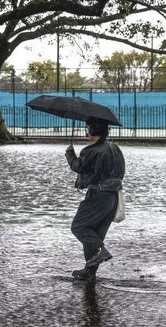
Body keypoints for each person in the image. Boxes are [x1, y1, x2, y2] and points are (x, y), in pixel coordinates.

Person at [65, 117, 125, 281]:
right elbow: (121, 172)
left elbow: (77, 166)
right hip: (113, 197)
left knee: (79, 227)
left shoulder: (91, 150)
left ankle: (101, 250)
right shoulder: (115, 148)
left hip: (97, 196)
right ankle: (90, 271)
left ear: (92, 130)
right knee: (95, 233)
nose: (86, 131)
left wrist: (70, 154)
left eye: (87, 128)